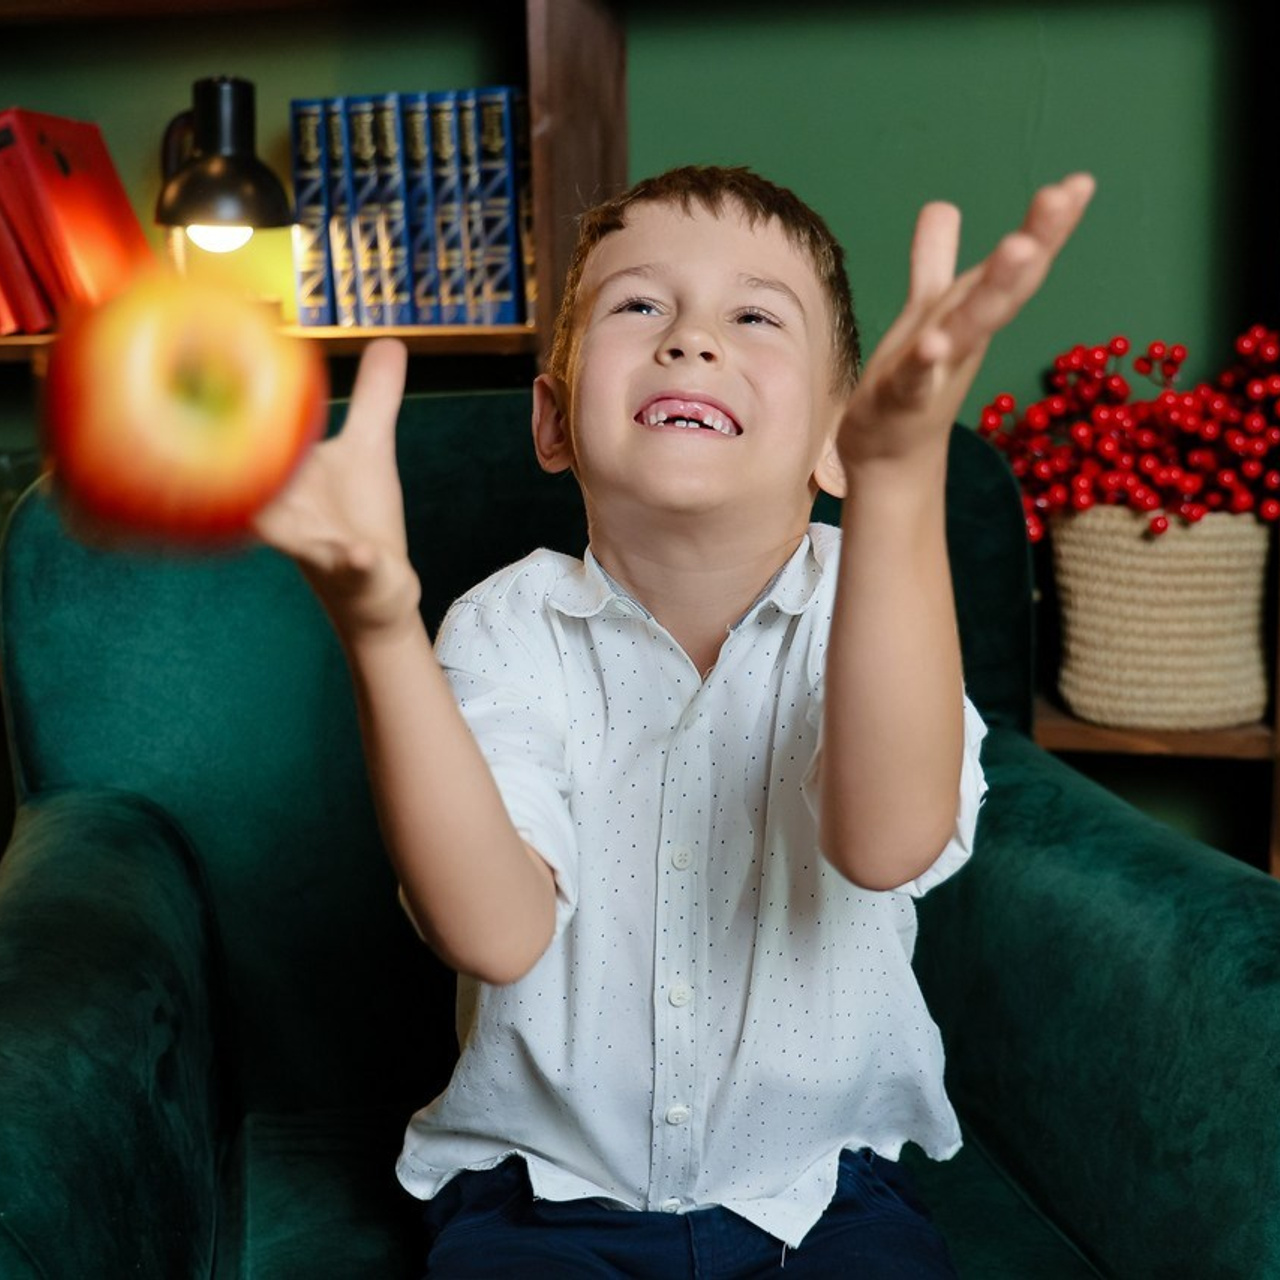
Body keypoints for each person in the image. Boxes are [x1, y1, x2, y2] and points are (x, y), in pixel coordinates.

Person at [254, 164, 1094, 1277]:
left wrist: (898, 479)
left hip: (824, 1193)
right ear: (553, 419)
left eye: (755, 316)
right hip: (539, 1194)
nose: (691, 339)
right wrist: (379, 626)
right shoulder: (502, 626)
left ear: (835, 436)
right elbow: (494, 931)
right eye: (640, 304)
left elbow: (886, 841)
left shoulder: (877, 604)